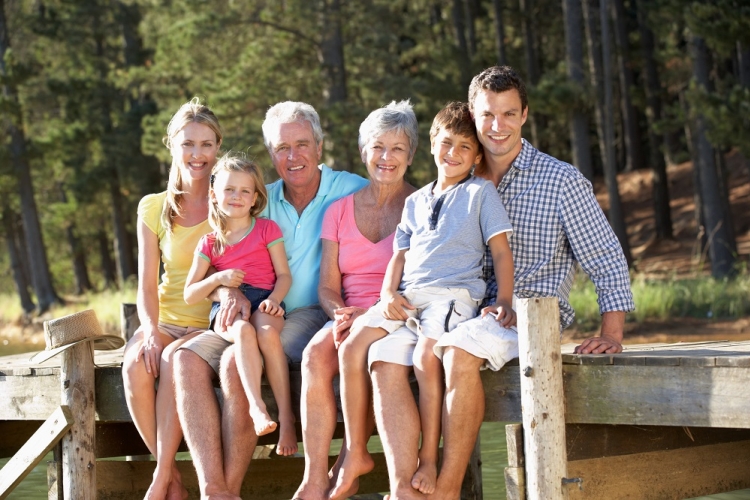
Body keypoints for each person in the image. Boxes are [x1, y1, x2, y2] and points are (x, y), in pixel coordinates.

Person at [371, 65, 636, 500]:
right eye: (488, 115)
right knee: (382, 356)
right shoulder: (460, 178)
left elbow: (605, 257)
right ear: (472, 116)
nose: (498, 126)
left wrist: (611, 333)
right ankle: (404, 486)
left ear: (524, 115)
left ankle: (446, 490)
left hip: (527, 316)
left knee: (456, 351)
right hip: (457, 309)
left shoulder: (560, 181)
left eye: (509, 114)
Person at [173, 101, 368, 499]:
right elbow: (218, 264)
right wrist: (224, 289)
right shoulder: (257, 201)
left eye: (302, 144)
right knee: (184, 360)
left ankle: (228, 490)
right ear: (270, 154)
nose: (293, 156)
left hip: (307, 314)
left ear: (319, 146)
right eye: (282, 148)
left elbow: (398, 206)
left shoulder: (351, 189)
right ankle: (213, 488)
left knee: (235, 360)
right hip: (239, 311)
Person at [339, 101, 513, 499]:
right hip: (410, 297)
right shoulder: (415, 201)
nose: (453, 153)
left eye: (465, 147)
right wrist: (387, 294)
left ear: (477, 157)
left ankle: (430, 459)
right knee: (355, 347)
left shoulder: (480, 193)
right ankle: (355, 450)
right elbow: (398, 256)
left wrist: (504, 298)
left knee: (423, 358)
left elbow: (501, 252)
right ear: (432, 143)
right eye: (447, 143)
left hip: (453, 296)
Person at [292, 101, 418, 500]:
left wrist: (371, 314)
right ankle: (314, 478)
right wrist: (341, 314)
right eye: (378, 147)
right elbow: (327, 287)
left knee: (370, 354)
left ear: (411, 155)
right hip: (347, 316)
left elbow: (423, 281)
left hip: (398, 315)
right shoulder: (338, 211)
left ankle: (351, 457)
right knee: (314, 356)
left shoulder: (422, 206)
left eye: (397, 148)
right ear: (364, 152)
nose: (386, 157)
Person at [121, 98, 222, 500]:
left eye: (206, 144)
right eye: (188, 144)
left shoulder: (230, 200)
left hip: (208, 325)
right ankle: (173, 478)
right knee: (135, 365)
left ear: (217, 147)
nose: (197, 154)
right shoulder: (153, 207)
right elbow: (147, 285)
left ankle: (162, 476)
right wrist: (149, 331)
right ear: (172, 145)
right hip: (165, 318)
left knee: (170, 361)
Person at [183, 153, 297, 454]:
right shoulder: (209, 242)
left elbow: (284, 275)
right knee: (244, 331)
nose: (237, 196)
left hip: (265, 298)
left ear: (255, 198)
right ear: (214, 194)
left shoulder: (267, 229)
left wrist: (274, 300)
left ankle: (287, 418)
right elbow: (190, 293)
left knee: (267, 334)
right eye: (229, 189)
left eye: (245, 191)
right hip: (227, 308)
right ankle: (257, 407)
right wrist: (219, 278)